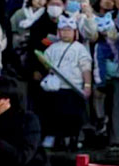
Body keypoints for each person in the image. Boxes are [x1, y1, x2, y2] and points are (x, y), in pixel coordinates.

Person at [39, 14, 93, 150]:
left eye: (69, 30)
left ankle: (73, 139)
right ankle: (57, 139)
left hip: (73, 88)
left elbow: (86, 68)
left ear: (75, 32)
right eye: (63, 30)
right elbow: (45, 64)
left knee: (73, 117)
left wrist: (87, 85)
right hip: (56, 89)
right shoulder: (52, 48)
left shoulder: (79, 48)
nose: (66, 32)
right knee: (55, 115)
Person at [91, 0, 119, 151]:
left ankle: (115, 140)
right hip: (97, 67)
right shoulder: (90, 17)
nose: (110, 1)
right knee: (99, 101)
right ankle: (99, 133)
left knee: (117, 105)